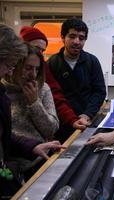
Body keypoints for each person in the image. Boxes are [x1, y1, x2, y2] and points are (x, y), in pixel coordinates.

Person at [0, 23, 65, 198]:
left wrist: (34, 102)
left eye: (37, 69)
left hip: (38, 160)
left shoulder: (42, 89)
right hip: (10, 165)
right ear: (15, 65)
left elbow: (51, 129)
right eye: (28, 68)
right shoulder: (4, 89)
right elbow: (6, 135)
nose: (32, 74)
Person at [20, 26, 89, 142]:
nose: (39, 55)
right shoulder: (5, 83)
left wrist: (72, 119)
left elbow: (56, 97)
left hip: (37, 148)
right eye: (36, 48)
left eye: (42, 51)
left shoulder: (44, 81)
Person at [47, 18, 106, 126]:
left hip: (87, 121)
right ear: (63, 37)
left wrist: (87, 114)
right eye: (72, 36)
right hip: (61, 123)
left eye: (81, 38)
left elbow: (99, 92)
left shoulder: (92, 61)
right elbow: (52, 96)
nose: (76, 41)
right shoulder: (52, 63)